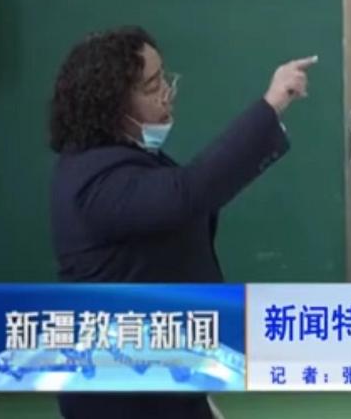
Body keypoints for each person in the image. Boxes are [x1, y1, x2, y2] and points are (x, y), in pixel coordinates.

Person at [48, 26, 316, 419]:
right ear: (112, 102)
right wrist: (271, 105)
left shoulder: (125, 157)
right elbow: (188, 193)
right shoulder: (95, 179)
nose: (167, 92)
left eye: (164, 78)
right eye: (152, 85)